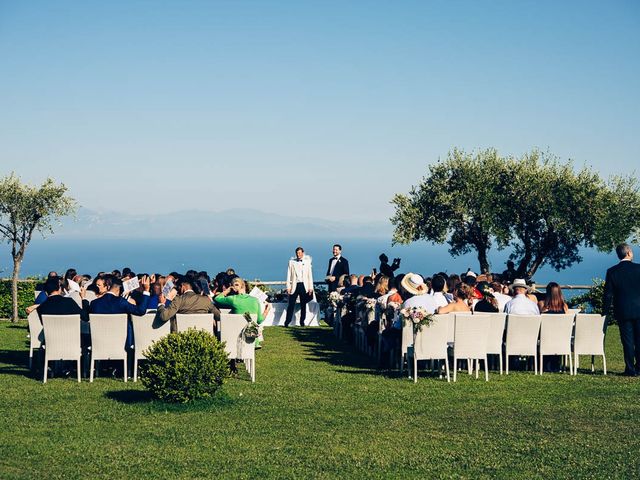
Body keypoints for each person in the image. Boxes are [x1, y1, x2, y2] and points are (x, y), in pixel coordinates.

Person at [604, 243, 640, 376]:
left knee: (628, 341)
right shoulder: (639, 269)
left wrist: (605, 311)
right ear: (629, 253)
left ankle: (630, 369)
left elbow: (608, 294)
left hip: (623, 311)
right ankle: (639, 367)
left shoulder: (612, 271)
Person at [285, 247, 314, 327]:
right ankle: (287, 322)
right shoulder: (291, 262)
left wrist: (310, 287)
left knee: (303, 305)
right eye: (297, 253)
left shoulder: (307, 262)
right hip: (294, 285)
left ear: (303, 253)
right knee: (291, 304)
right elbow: (288, 275)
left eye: (300, 253)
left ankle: (302, 321)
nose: (298, 255)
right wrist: (288, 286)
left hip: (304, 286)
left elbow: (309, 276)